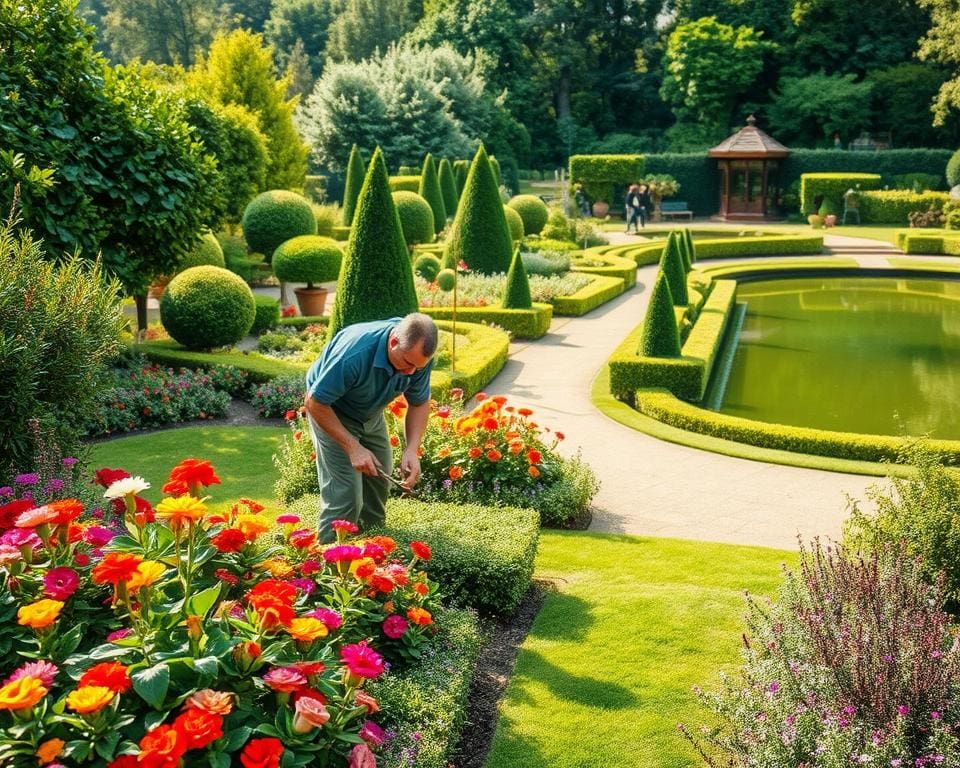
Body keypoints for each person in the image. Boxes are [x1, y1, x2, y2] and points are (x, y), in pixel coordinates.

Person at [304, 313, 438, 541]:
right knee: (346, 495)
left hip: (369, 412)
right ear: (394, 341)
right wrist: (353, 447)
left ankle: (371, 552)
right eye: (407, 364)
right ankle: (328, 563)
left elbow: (419, 402)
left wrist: (412, 450)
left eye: (418, 367)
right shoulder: (355, 352)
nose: (411, 372)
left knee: (379, 478)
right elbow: (314, 402)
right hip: (331, 411)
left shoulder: (416, 357)